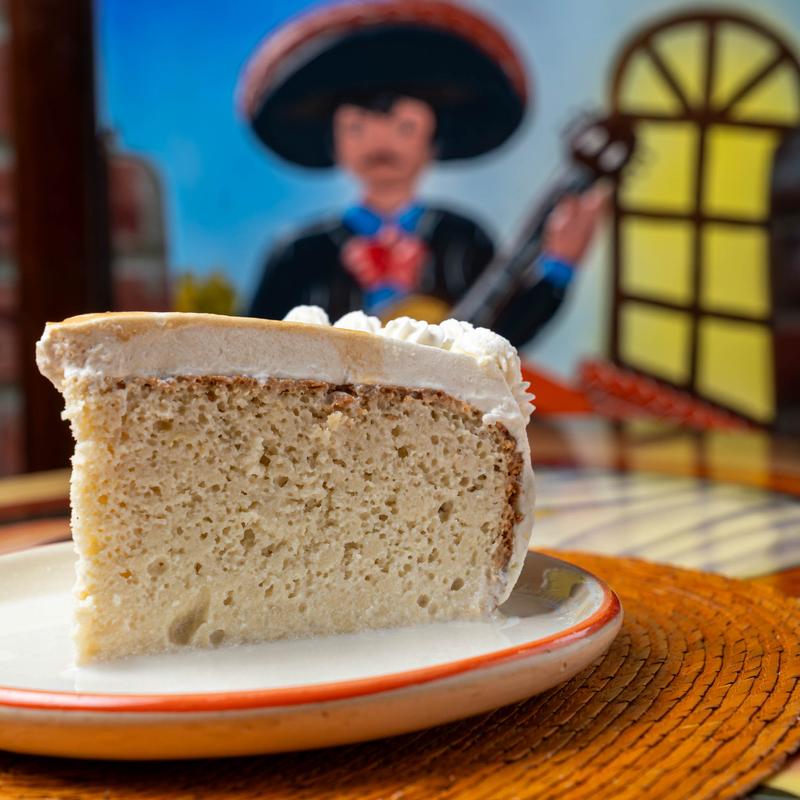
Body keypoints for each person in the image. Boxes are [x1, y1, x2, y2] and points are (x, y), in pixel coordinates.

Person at [239, 0, 606, 348]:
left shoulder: (462, 240)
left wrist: (558, 265)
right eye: (357, 128)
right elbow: (255, 344)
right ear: (333, 142)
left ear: (435, 139)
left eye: (405, 127)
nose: (381, 143)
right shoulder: (300, 255)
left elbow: (501, 331)